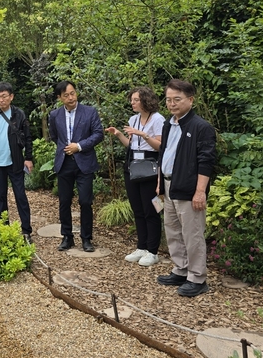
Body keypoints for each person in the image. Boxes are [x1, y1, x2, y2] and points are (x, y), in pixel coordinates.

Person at [156, 79, 216, 297]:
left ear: (190, 100)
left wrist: (200, 191)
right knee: (172, 230)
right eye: (168, 99)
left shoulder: (201, 127)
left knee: (192, 234)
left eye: (177, 99)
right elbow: (164, 153)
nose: (172, 104)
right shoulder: (168, 123)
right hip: (169, 183)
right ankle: (180, 270)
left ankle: (197, 277)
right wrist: (160, 181)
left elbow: (206, 160)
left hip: (190, 188)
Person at [105, 87, 165, 267]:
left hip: (151, 168)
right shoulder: (133, 119)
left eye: (136, 99)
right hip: (133, 166)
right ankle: (141, 246)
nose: (132, 102)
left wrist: (143, 134)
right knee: (137, 209)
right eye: (131, 100)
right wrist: (119, 135)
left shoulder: (158, 119)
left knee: (151, 210)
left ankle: (153, 251)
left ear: (146, 100)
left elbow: (159, 147)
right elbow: (131, 145)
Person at [48, 81, 103, 252]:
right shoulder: (55, 115)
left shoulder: (89, 112)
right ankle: (67, 236)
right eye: (66, 95)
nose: (71, 97)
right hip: (64, 163)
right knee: (64, 201)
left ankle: (86, 238)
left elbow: (98, 134)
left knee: (85, 201)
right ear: (60, 98)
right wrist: (66, 149)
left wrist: (78, 146)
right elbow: (55, 137)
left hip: (84, 162)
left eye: (73, 93)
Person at [0, 82, 34, 243]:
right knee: (0, 197)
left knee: (20, 196)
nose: (1, 100)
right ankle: (3, 230)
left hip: (16, 163)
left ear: (11, 97)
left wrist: (29, 158)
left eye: (4, 96)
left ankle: (26, 231)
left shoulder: (19, 115)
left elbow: (28, 137)